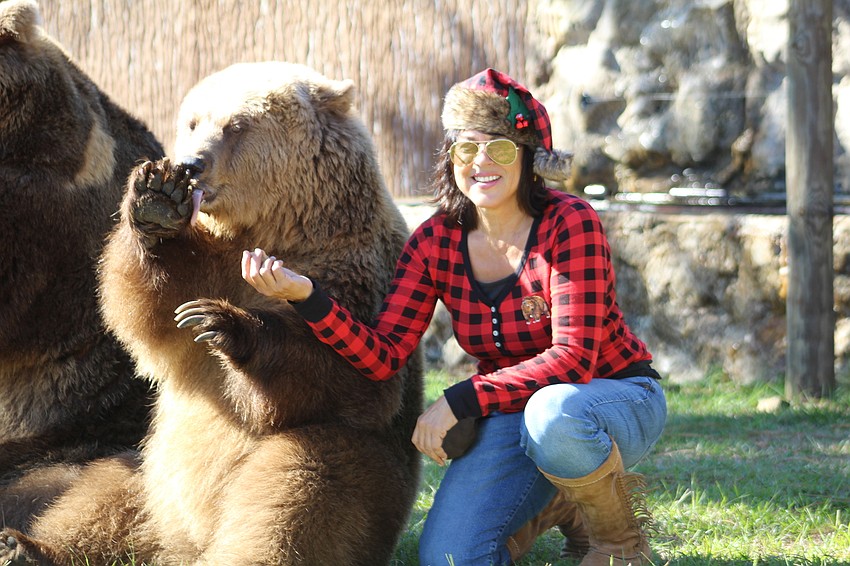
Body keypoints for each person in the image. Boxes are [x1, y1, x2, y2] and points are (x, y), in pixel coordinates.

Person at [241, 68, 667, 566]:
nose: (482, 161)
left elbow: (572, 361)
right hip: (513, 413)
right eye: (467, 148)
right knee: (450, 557)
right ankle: (562, 498)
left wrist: (461, 400)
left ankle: (620, 543)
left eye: (500, 148)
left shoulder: (570, 222)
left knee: (554, 415)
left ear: (530, 159)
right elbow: (383, 357)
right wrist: (306, 296)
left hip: (609, 401)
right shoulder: (434, 241)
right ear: (451, 158)